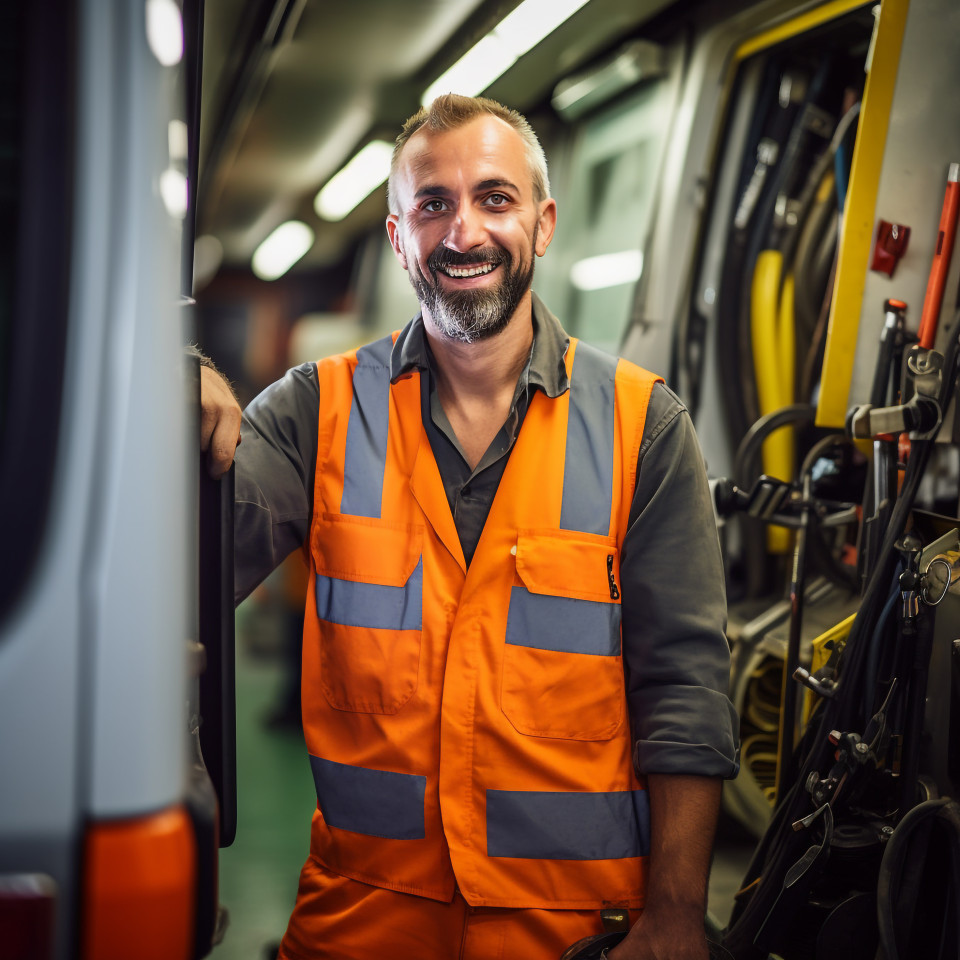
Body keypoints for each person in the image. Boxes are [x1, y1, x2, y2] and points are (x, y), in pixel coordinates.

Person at [200, 94, 739, 960]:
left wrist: (675, 916)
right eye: (433, 204)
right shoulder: (318, 413)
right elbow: (169, 578)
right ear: (396, 236)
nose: (463, 234)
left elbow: (685, 688)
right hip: (361, 925)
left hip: (571, 932)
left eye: (495, 198)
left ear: (545, 221)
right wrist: (176, 385)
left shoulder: (646, 427)